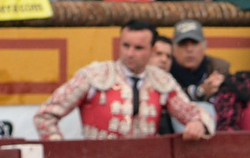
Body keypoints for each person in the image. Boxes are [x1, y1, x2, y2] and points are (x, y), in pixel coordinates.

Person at [33, 23, 207, 141]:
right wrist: (61, 152)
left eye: (138, 48)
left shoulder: (161, 80)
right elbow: (45, 115)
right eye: (125, 45)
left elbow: (192, 112)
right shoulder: (94, 76)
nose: (130, 53)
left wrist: (197, 123)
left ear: (152, 50)